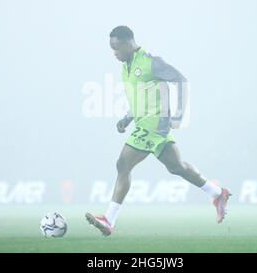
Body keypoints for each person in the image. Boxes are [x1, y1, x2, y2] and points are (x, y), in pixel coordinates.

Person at [85, 26, 231, 236]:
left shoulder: (151, 61)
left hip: (154, 126)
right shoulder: (126, 67)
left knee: (123, 164)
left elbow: (181, 80)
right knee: (177, 167)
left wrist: (179, 115)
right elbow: (140, 99)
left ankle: (109, 219)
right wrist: (127, 118)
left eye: (116, 48)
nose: (114, 53)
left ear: (128, 43)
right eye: (112, 49)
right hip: (145, 125)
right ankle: (217, 193)